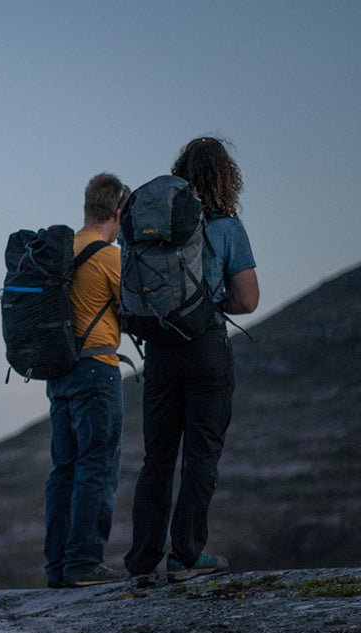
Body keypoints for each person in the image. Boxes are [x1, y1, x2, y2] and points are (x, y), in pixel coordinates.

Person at [124, 137, 260, 585]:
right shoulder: (226, 230)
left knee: (157, 458)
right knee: (201, 453)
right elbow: (248, 300)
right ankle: (185, 558)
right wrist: (211, 302)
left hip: (160, 350)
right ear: (226, 179)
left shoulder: (157, 230)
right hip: (205, 346)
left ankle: (142, 563)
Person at [44, 173, 131, 588]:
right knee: (97, 465)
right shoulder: (110, 256)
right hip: (96, 369)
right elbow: (134, 308)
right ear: (118, 213)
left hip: (57, 373)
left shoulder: (62, 249)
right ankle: (83, 563)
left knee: (63, 470)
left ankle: (57, 566)